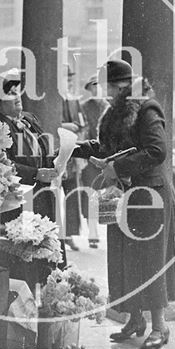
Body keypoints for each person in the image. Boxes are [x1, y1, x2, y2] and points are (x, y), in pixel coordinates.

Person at [72, 59, 175, 349]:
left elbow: (157, 151)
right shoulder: (112, 113)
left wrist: (117, 168)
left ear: (119, 86)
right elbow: (107, 147)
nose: (100, 91)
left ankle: (160, 326)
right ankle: (134, 319)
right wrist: (76, 150)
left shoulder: (147, 108)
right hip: (124, 195)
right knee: (123, 258)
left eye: (104, 85)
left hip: (149, 196)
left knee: (150, 258)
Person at [0, 70, 62, 288]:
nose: (17, 96)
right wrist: (35, 173)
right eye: (9, 94)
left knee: (47, 259)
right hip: (18, 203)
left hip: (42, 200)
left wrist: (57, 161)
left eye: (17, 91)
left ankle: (47, 305)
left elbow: (41, 153)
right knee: (25, 263)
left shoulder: (29, 119)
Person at [80, 74, 109, 249]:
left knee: (108, 193)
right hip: (91, 157)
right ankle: (93, 232)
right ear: (89, 89)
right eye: (93, 86)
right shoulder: (84, 107)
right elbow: (83, 130)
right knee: (91, 193)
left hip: (108, 157)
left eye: (99, 85)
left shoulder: (110, 107)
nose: (97, 89)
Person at [61, 67, 87, 251]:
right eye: (66, 77)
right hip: (57, 152)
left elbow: (82, 121)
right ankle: (55, 235)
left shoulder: (74, 99)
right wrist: (64, 126)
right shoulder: (52, 98)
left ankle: (68, 234)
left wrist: (79, 127)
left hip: (72, 153)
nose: (70, 80)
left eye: (71, 77)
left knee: (72, 195)